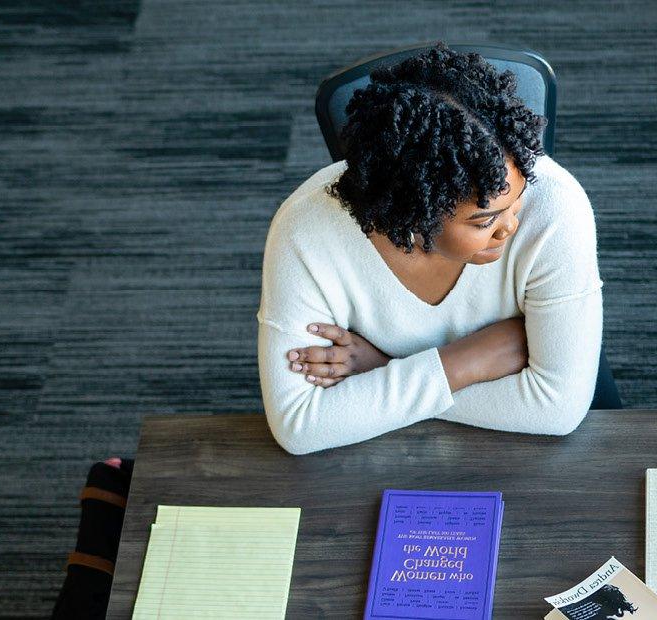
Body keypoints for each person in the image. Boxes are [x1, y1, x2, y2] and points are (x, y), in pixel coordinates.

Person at [257, 44, 602, 455]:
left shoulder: (556, 208)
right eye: (484, 220)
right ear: (411, 214)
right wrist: (463, 363)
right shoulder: (305, 232)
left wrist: (382, 370)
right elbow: (299, 424)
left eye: (517, 198)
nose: (511, 226)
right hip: (389, 456)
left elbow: (556, 410)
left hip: (540, 451)